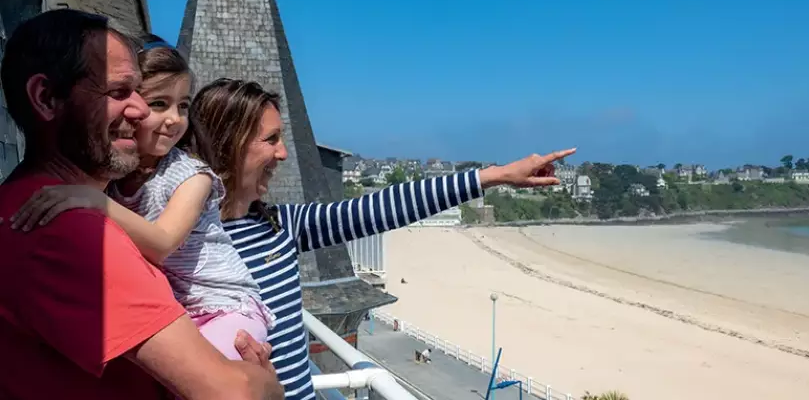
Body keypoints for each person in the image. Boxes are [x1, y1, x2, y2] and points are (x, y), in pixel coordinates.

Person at [189, 78, 576, 399]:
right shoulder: (183, 248)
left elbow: (381, 208)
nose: (284, 153)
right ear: (230, 143)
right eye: (271, 139)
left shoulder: (280, 225)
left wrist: (494, 176)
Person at [0, 9, 283, 400]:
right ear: (47, 98)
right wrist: (268, 385)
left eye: (139, 91)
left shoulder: (20, 202)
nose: (140, 110)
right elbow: (234, 394)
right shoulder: (75, 234)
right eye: (118, 93)